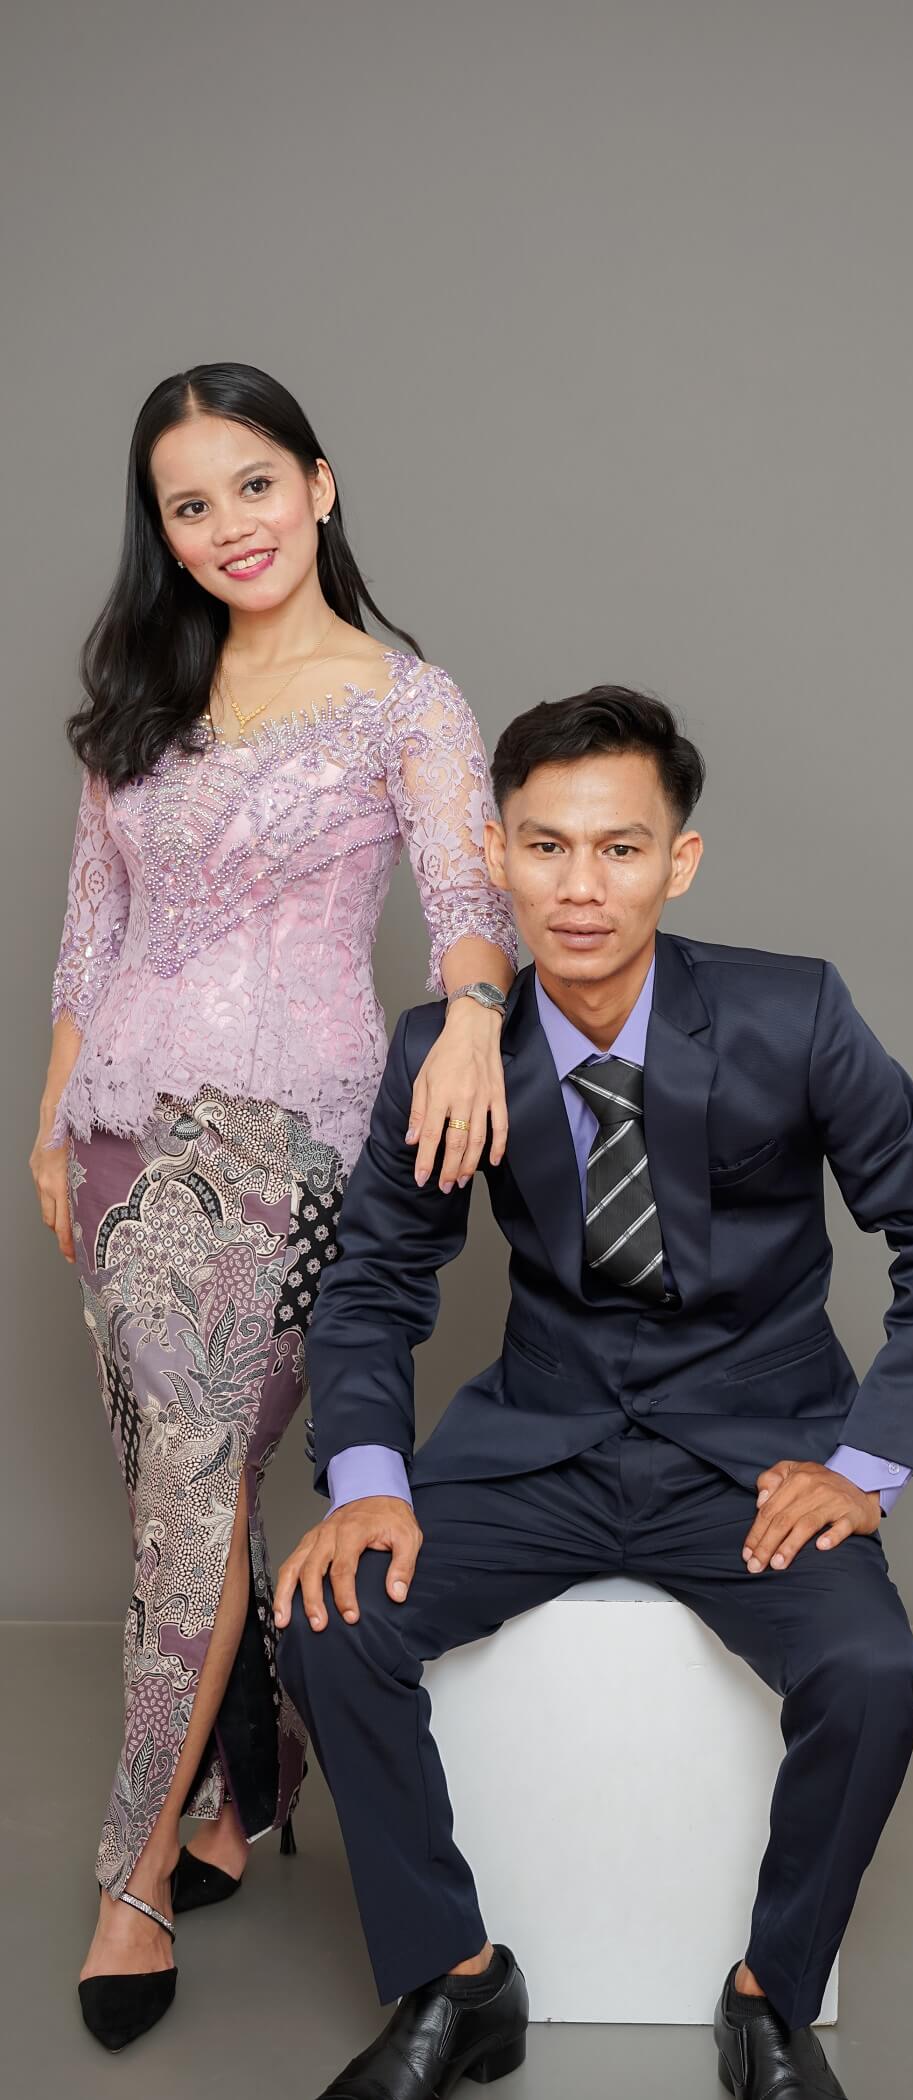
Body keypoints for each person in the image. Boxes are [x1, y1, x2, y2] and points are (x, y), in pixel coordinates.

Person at [275, 688, 913, 2100]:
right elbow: (373, 1280)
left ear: (681, 861)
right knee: (331, 1619)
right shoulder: (447, 1051)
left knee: (866, 1676)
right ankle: (456, 1979)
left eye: (620, 849)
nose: (581, 888)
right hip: (541, 1442)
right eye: (546, 847)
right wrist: (366, 1480)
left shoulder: (794, 1014)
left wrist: (867, 1467)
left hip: (757, 1454)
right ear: (497, 855)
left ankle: (770, 1996)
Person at [32, 362, 518, 2052]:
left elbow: (467, 898)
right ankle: (250, 1781)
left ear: (319, 483)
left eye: (254, 484)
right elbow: (90, 929)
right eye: (190, 504)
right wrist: (48, 1121)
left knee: (186, 1504)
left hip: (283, 1146)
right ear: (162, 533)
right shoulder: (142, 698)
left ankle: (132, 1874)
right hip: (114, 1136)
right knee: (190, 1492)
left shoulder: (406, 702)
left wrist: (475, 1018)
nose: (228, 525)